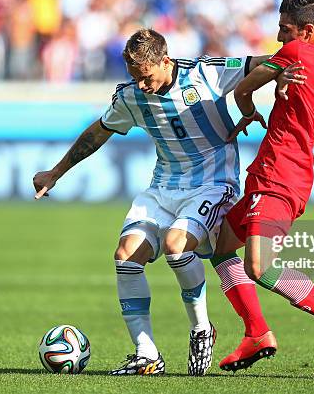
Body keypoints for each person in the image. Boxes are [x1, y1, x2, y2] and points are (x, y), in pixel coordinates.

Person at [32, 28, 290, 376]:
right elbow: (98, 132)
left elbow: (265, 62)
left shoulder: (207, 73)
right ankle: (146, 353)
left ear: (165, 61)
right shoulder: (131, 97)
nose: (141, 85)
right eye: (135, 78)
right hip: (162, 186)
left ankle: (201, 329)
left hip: (212, 183)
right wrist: (57, 172)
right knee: (125, 256)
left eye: (146, 77)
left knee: (176, 246)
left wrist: (286, 71)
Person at [210, 0, 314, 375]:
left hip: (280, 176)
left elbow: (242, 90)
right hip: (282, 172)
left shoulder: (296, 53)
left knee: (259, 267)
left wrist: (249, 110)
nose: (280, 37)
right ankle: (256, 332)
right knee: (222, 250)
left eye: (285, 28)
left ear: (308, 32)